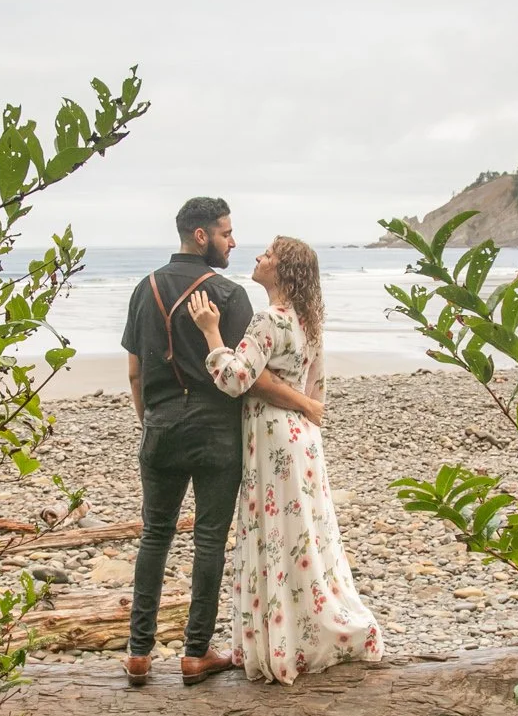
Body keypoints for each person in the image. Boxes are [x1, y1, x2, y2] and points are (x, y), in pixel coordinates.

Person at [120, 198, 324, 687]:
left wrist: (151, 421)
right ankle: (195, 654)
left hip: (162, 427)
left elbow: (134, 372)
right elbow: (246, 378)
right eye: (226, 233)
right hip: (216, 433)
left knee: (154, 535)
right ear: (200, 235)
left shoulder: (143, 289)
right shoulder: (231, 296)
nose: (233, 242)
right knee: (209, 540)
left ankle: (138, 654)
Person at [187, 236, 382, 684]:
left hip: (273, 437)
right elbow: (317, 393)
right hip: (305, 441)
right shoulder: (309, 323)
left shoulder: (268, 320)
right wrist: (302, 412)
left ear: (284, 272)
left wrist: (210, 330)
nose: (258, 257)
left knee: (276, 535)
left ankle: (284, 641)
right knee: (306, 534)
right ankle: (311, 629)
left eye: (269, 255)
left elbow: (235, 379)